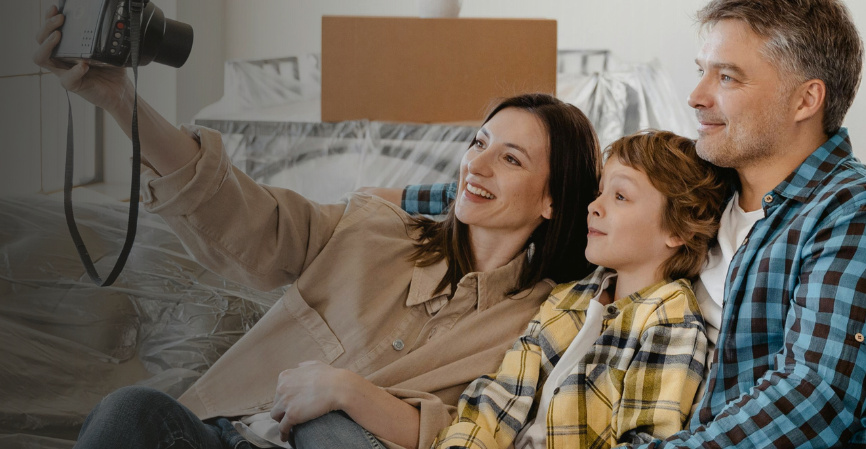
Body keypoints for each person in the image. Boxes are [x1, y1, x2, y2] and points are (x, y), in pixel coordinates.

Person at [32, 7, 604, 449]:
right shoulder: (372, 229)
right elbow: (240, 216)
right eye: (477, 142)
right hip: (229, 435)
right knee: (127, 411)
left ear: (554, 200)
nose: (475, 166)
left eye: (510, 159)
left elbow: (484, 433)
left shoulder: (542, 322)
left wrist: (351, 393)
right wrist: (118, 97)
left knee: (331, 428)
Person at [383, 0, 866, 446]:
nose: (696, 96)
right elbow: (548, 187)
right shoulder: (708, 187)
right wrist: (396, 196)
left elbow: (810, 401)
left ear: (806, 100)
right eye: (702, 72)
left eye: (728, 77)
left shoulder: (856, 213)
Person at [435, 131, 734, 449]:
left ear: (678, 229)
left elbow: (646, 439)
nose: (594, 206)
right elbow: (494, 398)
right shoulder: (566, 297)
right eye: (600, 192)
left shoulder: (672, 324)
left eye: (620, 196)